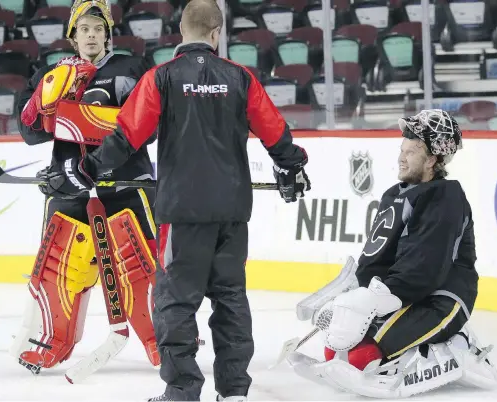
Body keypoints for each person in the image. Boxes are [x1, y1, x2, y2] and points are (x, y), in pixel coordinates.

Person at [35, 0, 311, 399]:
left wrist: (86, 170)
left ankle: (182, 392)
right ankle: (233, 391)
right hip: (231, 210)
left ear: (181, 33)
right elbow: (274, 131)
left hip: (182, 211)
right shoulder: (240, 77)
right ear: (217, 33)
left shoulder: (161, 78)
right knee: (230, 299)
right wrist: (291, 167)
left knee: (175, 304)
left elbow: (127, 136)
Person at [288, 109, 497, 398]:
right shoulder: (393, 195)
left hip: (442, 298)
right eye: (402, 149)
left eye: (411, 152)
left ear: (432, 160)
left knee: (360, 356)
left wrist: (373, 300)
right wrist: (355, 290)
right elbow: (377, 258)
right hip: (403, 293)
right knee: (333, 350)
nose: (401, 157)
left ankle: (458, 345)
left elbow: (425, 267)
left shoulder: (445, 196)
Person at [9, 0, 161, 374]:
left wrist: (97, 121)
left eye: (97, 29)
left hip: (125, 184)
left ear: (107, 34)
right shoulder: (52, 73)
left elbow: (152, 127)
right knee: (59, 270)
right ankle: (54, 342)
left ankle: (164, 342)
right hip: (68, 186)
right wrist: (43, 102)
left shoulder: (132, 68)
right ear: (72, 35)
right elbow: (29, 134)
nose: (91, 36)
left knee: (140, 267)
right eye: (84, 29)